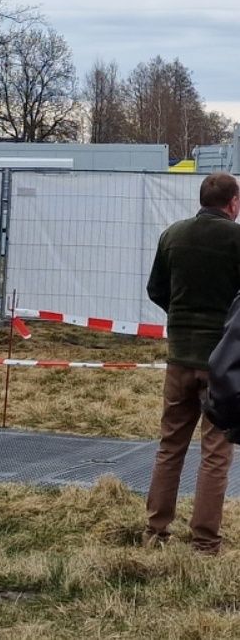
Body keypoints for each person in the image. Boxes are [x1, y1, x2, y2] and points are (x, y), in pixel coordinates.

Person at [144, 171, 240, 553]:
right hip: (224, 365)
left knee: (171, 444)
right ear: (232, 204)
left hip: (179, 357)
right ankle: (204, 542)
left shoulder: (173, 235)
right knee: (216, 452)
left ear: (202, 201)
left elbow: (156, 289)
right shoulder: (237, 239)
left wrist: (180, 319)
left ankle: (155, 532)